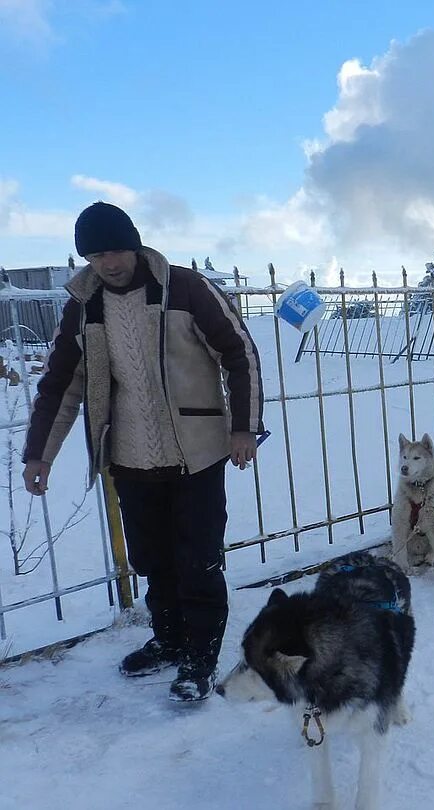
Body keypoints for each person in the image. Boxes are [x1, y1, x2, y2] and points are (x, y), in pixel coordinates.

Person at [22, 201, 264, 702]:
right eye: (94, 255)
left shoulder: (185, 287)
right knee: (153, 560)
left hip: (196, 453)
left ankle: (198, 660)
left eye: (114, 250)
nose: (108, 263)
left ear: (133, 245)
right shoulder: (84, 307)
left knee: (198, 560)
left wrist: (243, 427)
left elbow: (239, 354)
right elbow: (60, 384)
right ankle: (170, 639)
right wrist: (39, 454)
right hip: (130, 459)